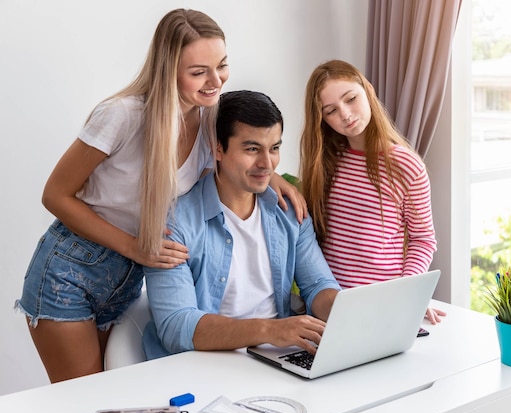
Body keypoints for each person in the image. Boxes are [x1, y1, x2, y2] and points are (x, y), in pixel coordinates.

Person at [15, 9, 304, 383]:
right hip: (72, 270)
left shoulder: (208, 122)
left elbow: (244, 154)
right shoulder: (122, 116)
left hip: (130, 278)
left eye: (222, 66)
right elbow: (55, 195)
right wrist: (134, 246)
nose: (215, 81)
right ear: (169, 69)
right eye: (198, 72)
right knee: (82, 400)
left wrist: (273, 177)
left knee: (112, 396)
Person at [142, 90, 340, 360]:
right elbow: (176, 326)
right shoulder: (174, 224)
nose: (266, 164)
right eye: (252, 149)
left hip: (276, 358)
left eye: (274, 148)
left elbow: (318, 283)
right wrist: (268, 330)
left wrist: (347, 313)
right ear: (218, 148)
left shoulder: (289, 211)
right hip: (204, 363)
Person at [299, 59, 445, 324]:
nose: (345, 114)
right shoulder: (324, 162)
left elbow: (422, 240)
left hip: (384, 306)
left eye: (351, 98)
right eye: (331, 110)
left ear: (368, 89)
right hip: (331, 309)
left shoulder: (406, 166)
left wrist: (409, 294)